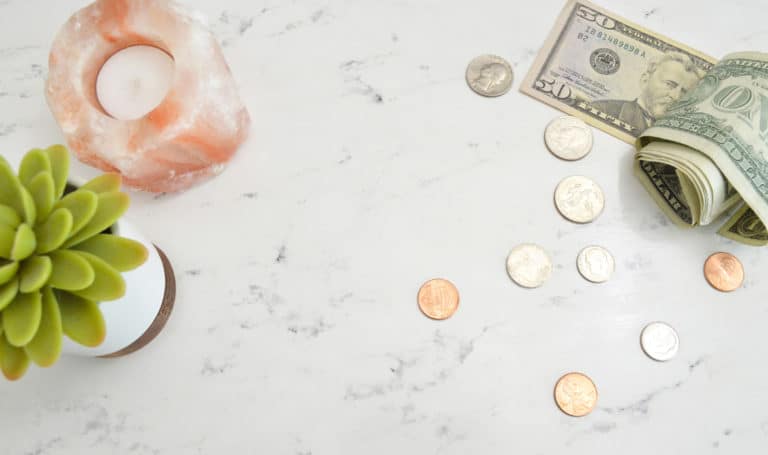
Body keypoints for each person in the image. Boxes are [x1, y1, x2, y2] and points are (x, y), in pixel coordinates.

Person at [591, 51, 704, 133]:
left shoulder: (682, 136)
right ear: (645, 80)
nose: (676, 96)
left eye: (684, 92)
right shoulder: (601, 109)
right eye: (669, 84)